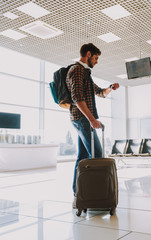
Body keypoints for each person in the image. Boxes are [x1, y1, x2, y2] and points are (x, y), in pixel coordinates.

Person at [66, 43, 119, 201]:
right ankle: (95, 194)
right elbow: (77, 98)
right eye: (95, 58)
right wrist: (92, 120)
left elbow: (100, 93)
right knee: (97, 156)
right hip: (82, 119)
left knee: (83, 156)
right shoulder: (76, 70)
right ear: (88, 55)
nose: (97, 61)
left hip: (83, 120)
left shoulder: (85, 73)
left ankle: (78, 193)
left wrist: (110, 88)